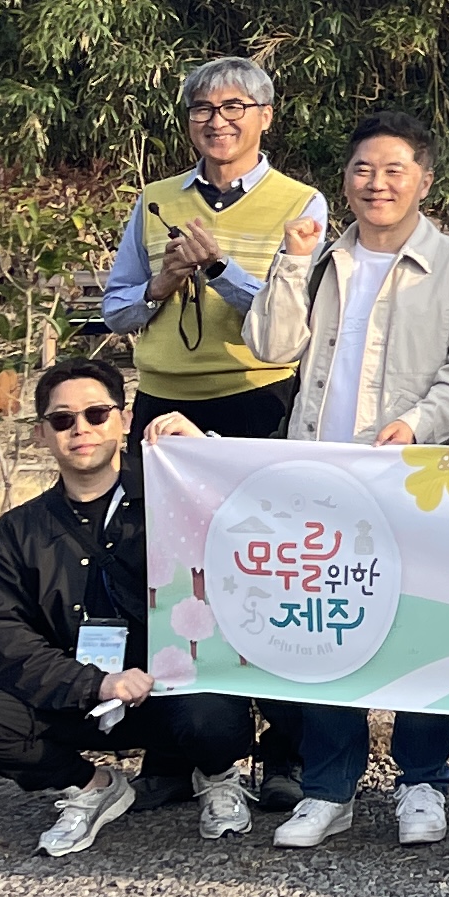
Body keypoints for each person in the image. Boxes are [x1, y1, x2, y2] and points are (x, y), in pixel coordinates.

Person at [234, 108, 449, 852]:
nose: (377, 183)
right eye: (362, 169)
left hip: (417, 474)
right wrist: (291, 262)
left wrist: (415, 424)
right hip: (320, 477)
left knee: (422, 626)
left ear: (425, 180)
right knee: (326, 626)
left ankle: (423, 781)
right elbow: (270, 345)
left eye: (394, 170)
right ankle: (329, 789)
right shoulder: (321, 259)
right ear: (344, 180)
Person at [99, 57, 330, 806]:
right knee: (162, 571)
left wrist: (221, 265)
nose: (217, 120)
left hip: (259, 403)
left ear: (266, 117)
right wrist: (164, 282)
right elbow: (116, 309)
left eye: (235, 107)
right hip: (162, 404)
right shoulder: (154, 200)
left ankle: (285, 753)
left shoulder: (301, 203)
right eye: (202, 107)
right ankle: (174, 750)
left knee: (272, 568)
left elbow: (297, 316)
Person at [0, 357, 256, 854]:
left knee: (213, 717)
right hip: (80, 697)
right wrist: (93, 683)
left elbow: (258, 519)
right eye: (62, 420)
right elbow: (3, 638)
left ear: (125, 419)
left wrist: (204, 452)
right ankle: (93, 787)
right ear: (41, 434)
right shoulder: (18, 532)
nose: (81, 429)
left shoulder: (175, 500)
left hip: (174, 692)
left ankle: (218, 774)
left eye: (96, 414)